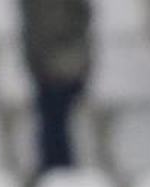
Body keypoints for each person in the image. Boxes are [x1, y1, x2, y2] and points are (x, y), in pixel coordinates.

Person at [21, 0, 91, 175]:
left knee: (55, 126)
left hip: (62, 64)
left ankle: (58, 172)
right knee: (51, 125)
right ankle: (55, 172)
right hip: (45, 66)